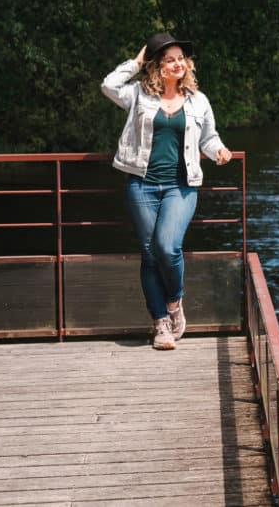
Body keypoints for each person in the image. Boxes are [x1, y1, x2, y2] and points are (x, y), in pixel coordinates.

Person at [101, 32, 233, 350]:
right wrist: (135, 61)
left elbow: (208, 137)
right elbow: (108, 85)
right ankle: (160, 324)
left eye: (181, 59)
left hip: (181, 186)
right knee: (149, 255)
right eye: (170, 59)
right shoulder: (138, 95)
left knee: (167, 246)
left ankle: (174, 302)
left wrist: (220, 149)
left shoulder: (198, 101)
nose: (178, 64)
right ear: (158, 66)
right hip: (141, 184)